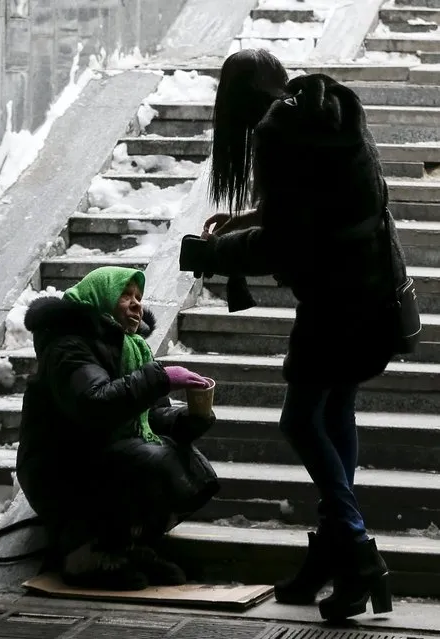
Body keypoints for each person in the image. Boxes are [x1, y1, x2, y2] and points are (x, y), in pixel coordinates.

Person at [179, 49, 410, 620]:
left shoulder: (276, 136)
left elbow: (286, 244)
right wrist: (246, 220)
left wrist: (212, 251)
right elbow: (317, 208)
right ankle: (332, 554)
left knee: (301, 419)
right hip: (376, 287)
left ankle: (356, 552)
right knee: (335, 415)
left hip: (337, 303)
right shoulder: (326, 109)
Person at [16, 266, 219, 590]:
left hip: (99, 455)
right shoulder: (69, 346)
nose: (137, 303)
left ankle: (128, 546)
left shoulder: (132, 348)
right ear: (101, 298)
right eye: (125, 295)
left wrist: (189, 420)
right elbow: (94, 405)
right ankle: (86, 556)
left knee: (193, 469)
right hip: (58, 467)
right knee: (152, 461)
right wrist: (160, 378)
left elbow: (148, 418)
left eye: (139, 297)